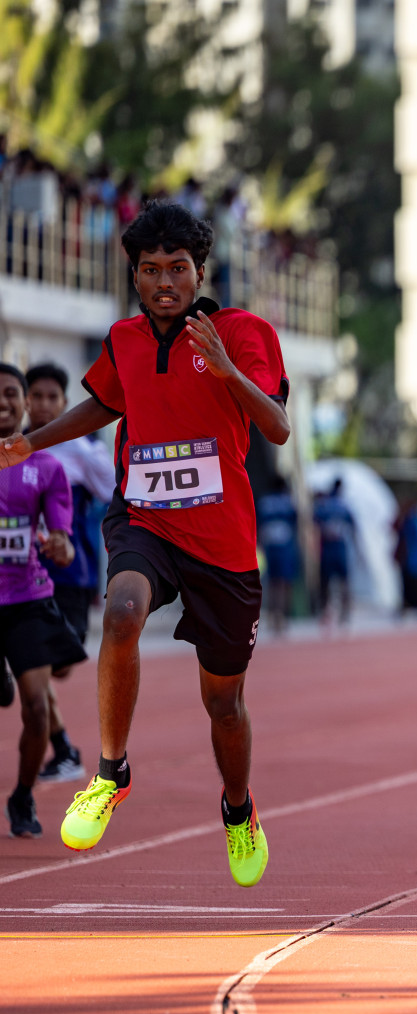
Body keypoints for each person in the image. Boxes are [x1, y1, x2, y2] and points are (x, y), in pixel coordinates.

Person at [0, 200, 290, 886]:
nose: (165, 282)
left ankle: (239, 811)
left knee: (223, 704)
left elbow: (275, 426)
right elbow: (106, 402)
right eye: (151, 270)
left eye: (179, 269)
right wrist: (28, 443)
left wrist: (225, 368)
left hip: (221, 539)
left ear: (199, 271)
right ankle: (109, 773)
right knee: (123, 613)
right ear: (134, 273)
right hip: (146, 518)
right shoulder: (125, 339)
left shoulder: (242, 332)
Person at [0, 363, 88, 836]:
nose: (3, 401)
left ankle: (22, 796)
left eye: (11, 393)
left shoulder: (47, 466)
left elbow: (63, 536)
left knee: (36, 708)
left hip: (25, 599)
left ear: (25, 403)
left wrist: (62, 545)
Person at [25, 363, 115, 784]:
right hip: (21, 576)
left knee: (54, 667)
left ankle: (63, 749)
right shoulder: (13, 447)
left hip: (71, 575)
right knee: (30, 660)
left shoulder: (81, 450)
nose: (42, 405)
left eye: (51, 398)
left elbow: (117, 493)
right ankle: (63, 750)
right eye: (35, 396)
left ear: (64, 403)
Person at [255, 477, 299, 634]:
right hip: (285, 547)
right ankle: (282, 618)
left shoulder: (264, 503)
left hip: (269, 547)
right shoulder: (288, 501)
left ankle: (273, 617)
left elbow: (257, 524)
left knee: (271, 583)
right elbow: (296, 523)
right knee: (284, 584)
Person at [313, 478, 356, 626]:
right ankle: (345, 613)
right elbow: (353, 527)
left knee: (326, 582)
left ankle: (326, 612)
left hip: (328, 549)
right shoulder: (344, 506)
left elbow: (315, 525)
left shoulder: (324, 505)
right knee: (343, 581)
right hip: (338, 548)